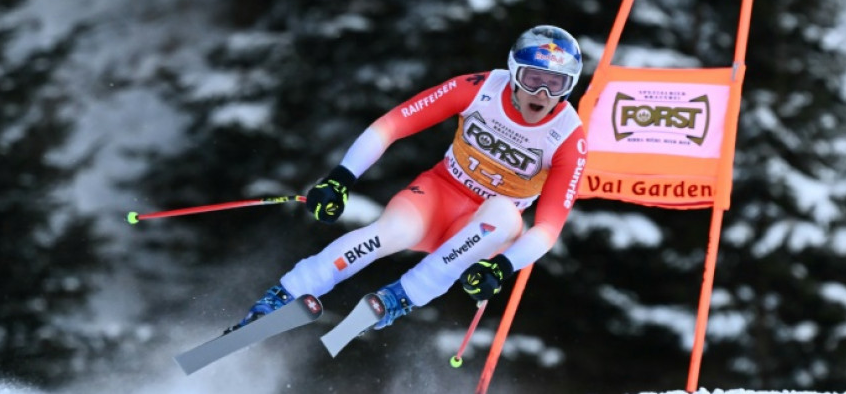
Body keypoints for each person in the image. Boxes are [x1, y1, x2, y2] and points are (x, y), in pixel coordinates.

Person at [232, 25, 588, 333]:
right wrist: (341, 178)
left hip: (479, 232)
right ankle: (282, 297)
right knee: (386, 234)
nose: (542, 95)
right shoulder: (480, 88)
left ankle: (399, 298)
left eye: (556, 84)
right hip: (436, 195)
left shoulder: (568, 137)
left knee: (505, 214)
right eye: (533, 79)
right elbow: (391, 125)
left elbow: (548, 228)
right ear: (513, 72)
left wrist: (502, 266)